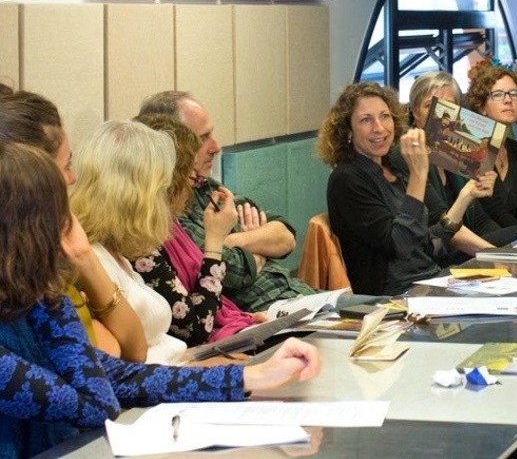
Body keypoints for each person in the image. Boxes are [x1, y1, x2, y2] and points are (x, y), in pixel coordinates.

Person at [0, 140, 321, 458]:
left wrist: (253, 376)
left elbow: (118, 375)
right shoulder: (42, 299)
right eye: (61, 214)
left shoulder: (35, 297)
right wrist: (75, 260)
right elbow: (98, 404)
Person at [0, 92, 147, 362]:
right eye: (66, 165)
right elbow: (107, 358)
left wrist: (84, 258)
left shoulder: (56, 248)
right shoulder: (21, 273)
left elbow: (132, 351)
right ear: (33, 176)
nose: (73, 178)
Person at [138, 92, 314, 313]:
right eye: (202, 139)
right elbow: (234, 271)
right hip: (262, 314)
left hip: (299, 294)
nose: (216, 147)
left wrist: (230, 239)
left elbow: (286, 237)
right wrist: (260, 246)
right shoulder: (168, 211)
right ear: (174, 147)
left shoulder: (205, 186)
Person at [318, 82, 493, 295]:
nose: (379, 128)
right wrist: (418, 176)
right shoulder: (347, 179)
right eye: (366, 120)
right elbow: (400, 245)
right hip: (395, 295)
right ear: (348, 131)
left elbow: (430, 246)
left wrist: (466, 196)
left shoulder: (391, 168)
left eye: (385, 116)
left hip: (431, 280)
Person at [70, 121, 203, 364]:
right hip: (162, 382)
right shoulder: (92, 260)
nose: (164, 201)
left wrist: (206, 362)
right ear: (136, 195)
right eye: (161, 190)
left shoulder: (114, 252)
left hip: (178, 370)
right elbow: (127, 365)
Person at [131, 113, 260, 347]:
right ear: (164, 178)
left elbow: (285, 234)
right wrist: (215, 241)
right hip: (195, 352)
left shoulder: (168, 223)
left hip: (230, 325)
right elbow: (197, 329)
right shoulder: (139, 245)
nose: (193, 180)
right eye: (187, 171)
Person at [403, 71, 517, 249]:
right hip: (442, 251)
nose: (441, 114)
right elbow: (444, 228)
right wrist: (497, 254)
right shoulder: (409, 154)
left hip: (468, 245)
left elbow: (480, 219)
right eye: (430, 105)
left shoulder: (458, 149)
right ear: (415, 112)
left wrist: (511, 248)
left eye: (449, 105)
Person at [462, 63, 517, 226]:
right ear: (481, 106)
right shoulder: (474, 148)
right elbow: (494, 213)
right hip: (487, 236)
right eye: (498, 94)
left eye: (514, 94)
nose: (508, 100)